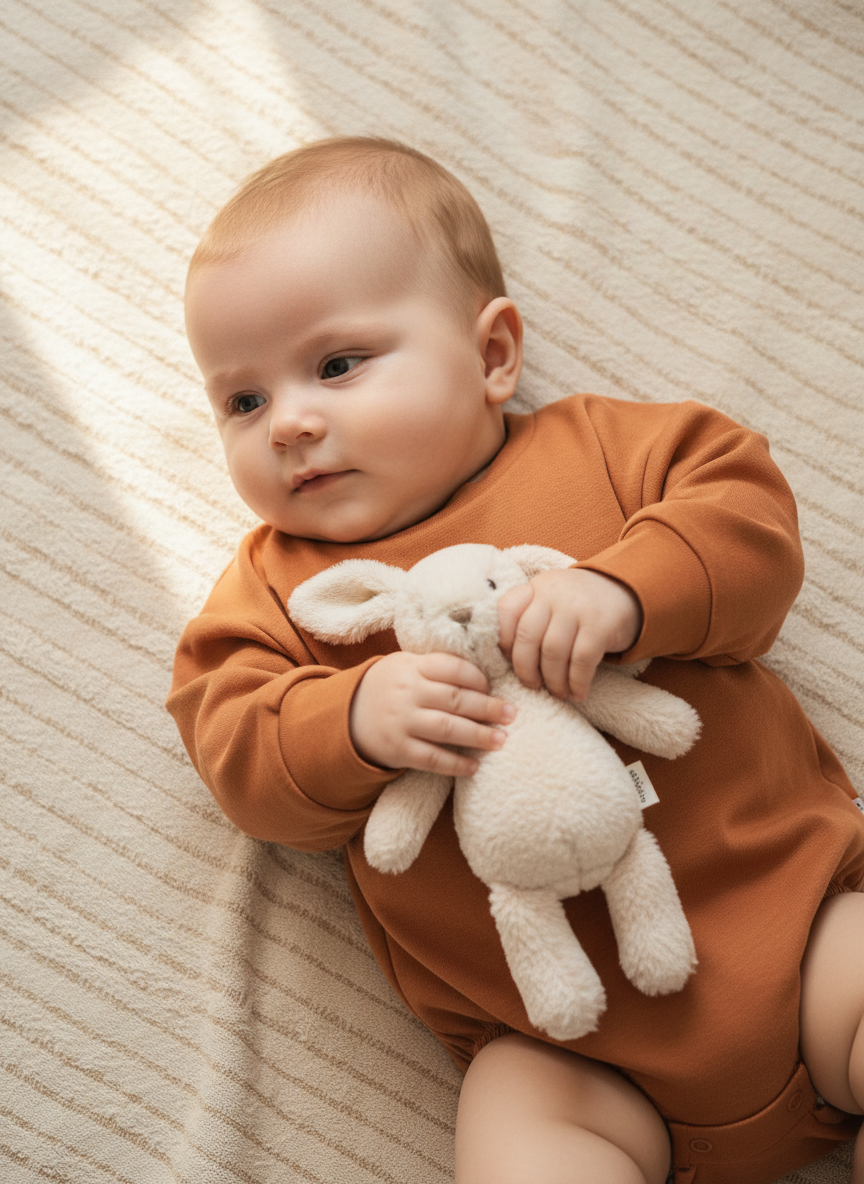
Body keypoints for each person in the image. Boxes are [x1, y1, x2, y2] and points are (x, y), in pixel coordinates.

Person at [167, 136, 864, 1184]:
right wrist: (349, 720)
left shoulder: (608, 451)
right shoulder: (279, 589)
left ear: (492, 353)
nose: (291, 425)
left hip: (799, 922)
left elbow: (748, 518)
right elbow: (230, 737)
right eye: (242, 401)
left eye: (337, 365)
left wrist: (630, 590)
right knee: (516, 1125)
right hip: (564, 1044)